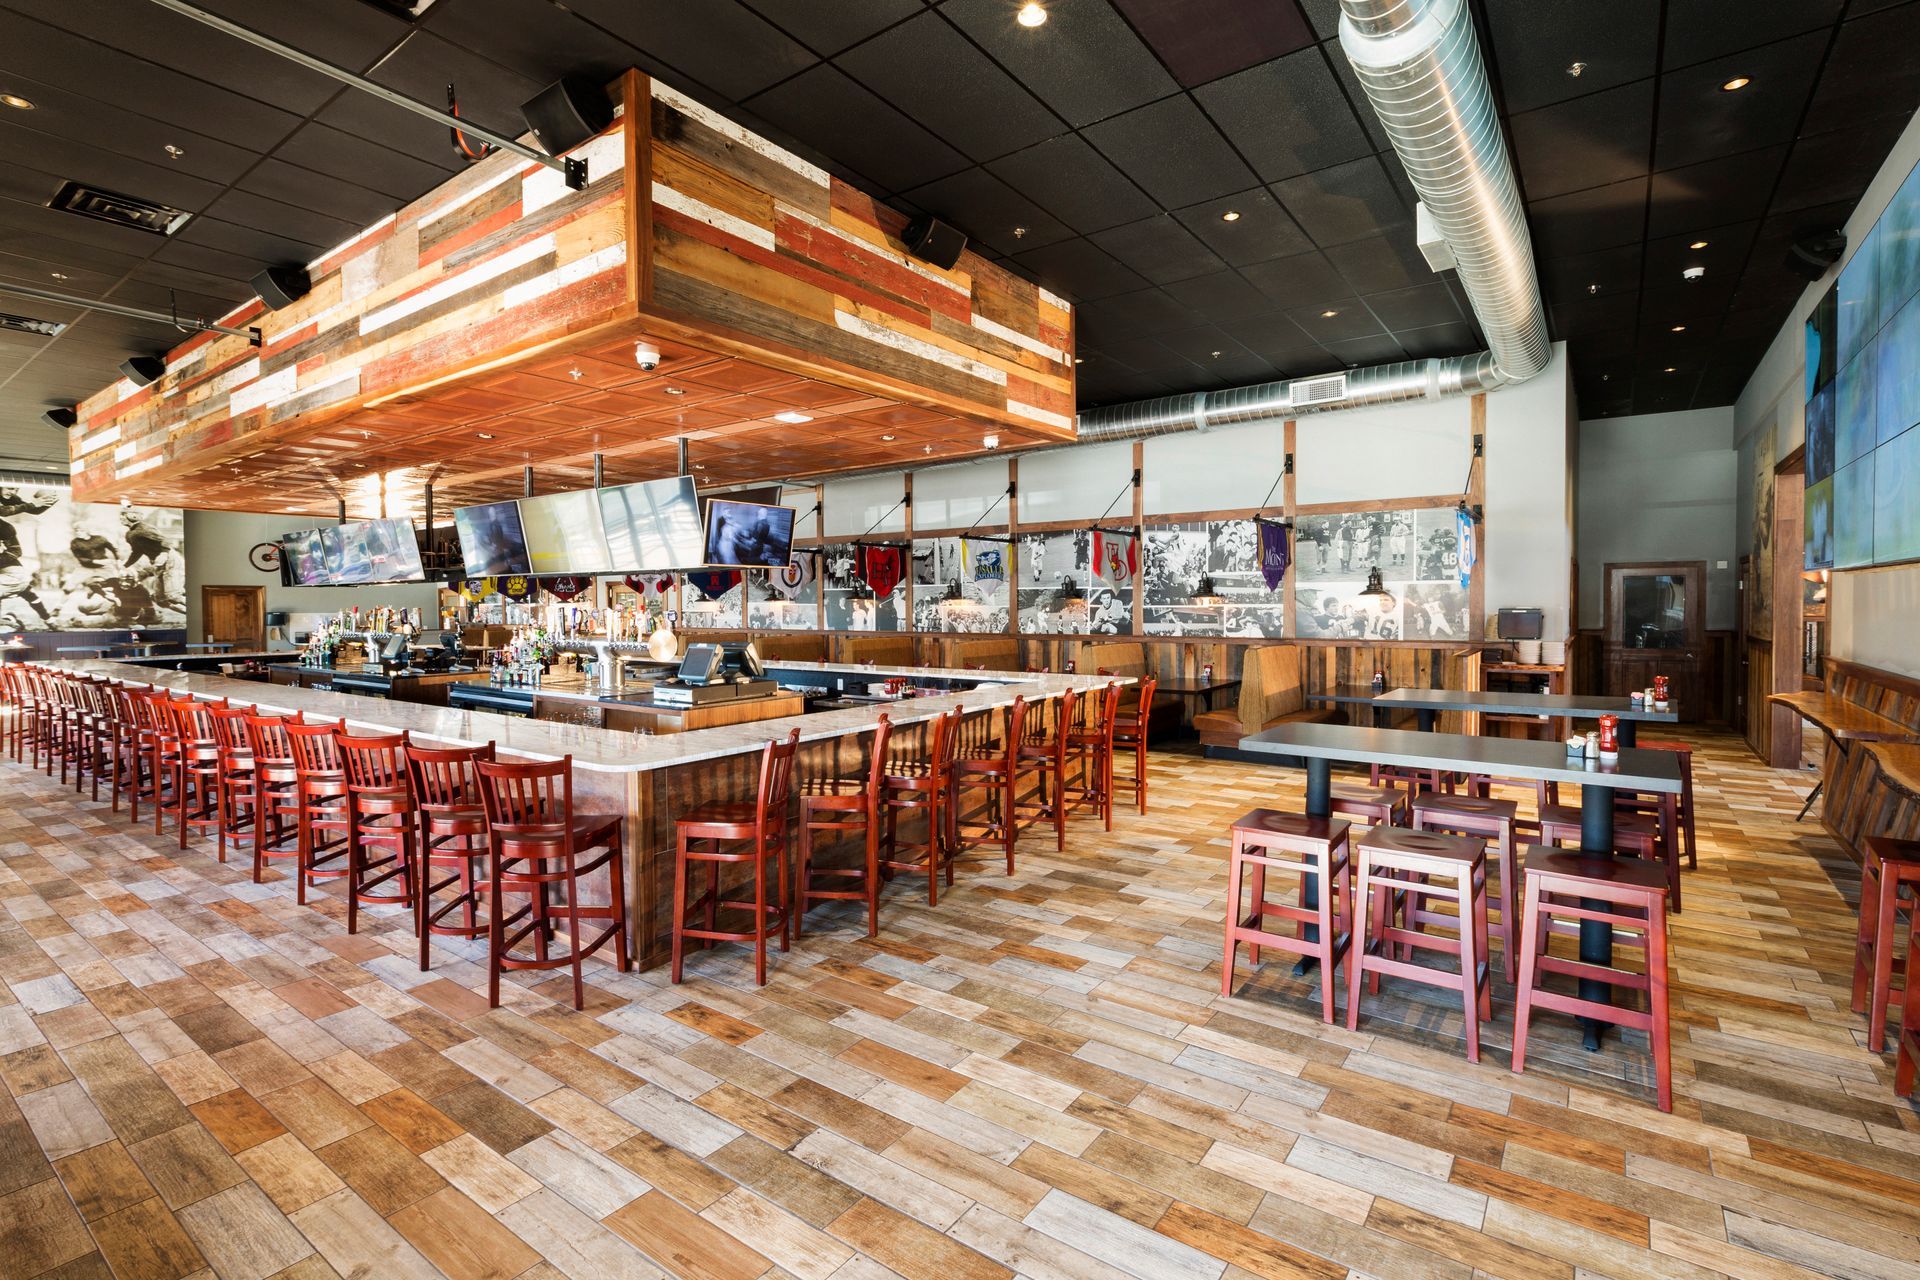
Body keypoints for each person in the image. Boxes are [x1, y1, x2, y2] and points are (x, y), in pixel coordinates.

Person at [0, 489, 59, 626]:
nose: (13, 491)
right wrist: (32, 504)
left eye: (16, 489)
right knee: (27, 592)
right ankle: (48, 620)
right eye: (9, 487)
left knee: (24, 588)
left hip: (11, 571)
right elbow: (5, 511)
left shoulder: (5, 528)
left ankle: (10, 621)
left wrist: (48, 502)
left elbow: (15, 551)